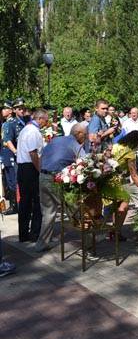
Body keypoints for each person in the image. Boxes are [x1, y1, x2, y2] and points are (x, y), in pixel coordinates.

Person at [35, 123, 88, 252]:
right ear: (79, 134)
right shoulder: (74, 144)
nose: (85, 137)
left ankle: (41, 244)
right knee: (74, 209)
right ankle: (88, 241)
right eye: (85, 135)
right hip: (56, 179)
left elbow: (41, 156)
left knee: (48, 213)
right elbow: (85, 162)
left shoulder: (56, 140)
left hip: (43, 176)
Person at [16, 108, 49, 242]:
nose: (46, 123)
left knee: (25, 202)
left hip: (23, 168)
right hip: (30, 168)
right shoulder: (33, 131)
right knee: (36, 201)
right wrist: (40, 170)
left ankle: (23, 233)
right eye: (46, 120)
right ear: (40, 119)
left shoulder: (26, 129)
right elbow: (33, 153)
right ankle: (34, 233)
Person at [111, 130, 138, 233]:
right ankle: (117, 231)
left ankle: (113, 229)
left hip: (108, 180)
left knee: (116, 205)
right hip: (118, 182)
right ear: (134, 142)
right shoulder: (130, 154)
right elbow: (134, 176)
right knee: (124, 204)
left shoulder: (116, 146)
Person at [1, 98, 25, 215]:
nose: (2, 111)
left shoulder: (10, 123)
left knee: (13, 181)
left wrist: (15, 152)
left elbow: (8, 140)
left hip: (12, 156)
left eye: (5, 108)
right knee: (11, 181)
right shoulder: (11, 123)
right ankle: (15, 205)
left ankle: (15, 206)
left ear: (11, 111)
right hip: (8, 155)